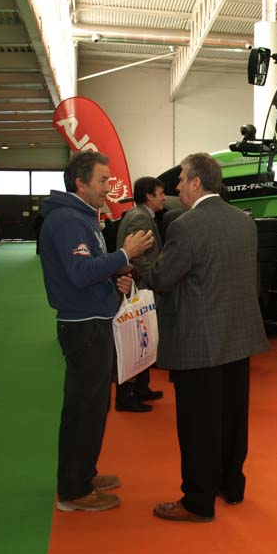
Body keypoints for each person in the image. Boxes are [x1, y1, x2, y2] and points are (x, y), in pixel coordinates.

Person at [141, 153, 268, 523]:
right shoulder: (245, 223)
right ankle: (231, 485)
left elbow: (164, 278)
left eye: (181, 178)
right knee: (232, 419)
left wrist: (138, 265)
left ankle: (197, 500)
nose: (177, 185)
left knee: (198, 424)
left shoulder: (185, 226)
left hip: (199, 342)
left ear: (197, 183)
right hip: (238, 338)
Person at [40, 151, 154, 512]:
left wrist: (113, 281)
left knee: (92, 406)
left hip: (91, 321)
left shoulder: (79, 217)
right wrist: (124, 254)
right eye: (103, 180)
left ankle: (82, 475)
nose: (109, 187)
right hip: (84, 326)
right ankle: (73, 491)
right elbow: (79, 273)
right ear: (80, 183)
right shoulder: (68, 221)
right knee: (84, 409)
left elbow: (87, 272)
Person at [113, 176, 167, 412]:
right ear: (149, 196)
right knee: (136, 341)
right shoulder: (140, 218)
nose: (164, 197)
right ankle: (126, 396)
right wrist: (156, 277)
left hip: (141, 287)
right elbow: (135, 256)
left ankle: (142, 387)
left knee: (143, 340)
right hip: (140, 288)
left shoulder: (140, 215)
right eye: (160, 193)